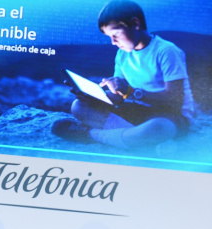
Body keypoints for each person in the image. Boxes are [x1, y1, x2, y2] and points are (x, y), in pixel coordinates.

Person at [52, 0, 195, 149]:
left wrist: (131, 92)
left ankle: (91, 135)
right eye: (109, 36)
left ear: (135, 24)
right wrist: (93, 96)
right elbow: (119, 96)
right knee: (78, 106)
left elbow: (175, 100)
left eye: (115, 34)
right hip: (138, 111)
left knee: (156, 129)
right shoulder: (122, 54)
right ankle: (134, 138)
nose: (113, 42)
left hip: (170, 116)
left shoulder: (166, 51)